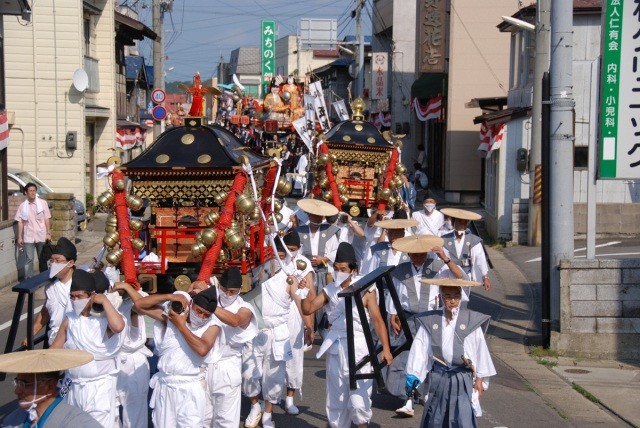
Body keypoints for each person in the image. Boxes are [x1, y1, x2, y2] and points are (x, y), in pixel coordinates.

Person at [301, 242, 393, 428]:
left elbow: (377, 320)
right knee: (337, 399)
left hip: (360, 346)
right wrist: (303, 292)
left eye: (343, 269)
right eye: (336, 269)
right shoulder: (330, 290)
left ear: (353, 270)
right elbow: (309, 308)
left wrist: (386, 348)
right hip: (336, 347)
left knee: (359, 402)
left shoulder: (366, 290)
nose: (338, 272)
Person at [384, 235, 465, 415]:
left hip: (431, 319)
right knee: (406, 357)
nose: (418, 257)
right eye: (414, 254)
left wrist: (445, 257)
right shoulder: (400, 270)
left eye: (421, 254)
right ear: (409, 254)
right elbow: (394, 294)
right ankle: (408, 398)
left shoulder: (438, 267)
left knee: (430, 357)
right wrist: (392, 315)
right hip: (407, 319)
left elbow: (459, 276)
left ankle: (427, 393)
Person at [405, 279, 496, 426]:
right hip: (439, 376)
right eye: (448, 296)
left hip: (463, 377)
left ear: (461, 297)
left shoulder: (471, 321)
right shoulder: (431, 320)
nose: (452, 300)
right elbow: (420, 349)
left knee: (463, 419)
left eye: (456, 296)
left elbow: (481, 351)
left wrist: (479, 379)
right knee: (436, 418)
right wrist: (413, 375)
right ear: (440, 297)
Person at [241, 243, 307, 428]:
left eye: (280, 255)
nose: (276, 259)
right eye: (272, 255)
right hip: (253, 331)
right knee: (248, 374)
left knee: (273, 376)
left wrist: (309, 326)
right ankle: (255, 405)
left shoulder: (290, 278)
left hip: (277, 332)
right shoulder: (253, 273)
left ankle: (268, 413)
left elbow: (302, 304)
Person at [134, 287, 221, 428]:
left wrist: (181, 325)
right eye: (199, 311)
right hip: (166, 386)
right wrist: (169, 296)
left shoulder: (212, 326)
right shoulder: (171, 317)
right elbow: (139, 305)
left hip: (190, 387)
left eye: (206, 315)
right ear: (190, 305)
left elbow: (202, 349)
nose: (201, 317)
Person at [50, 269, 126, 428]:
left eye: (80, 296)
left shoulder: (104, 320)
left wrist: (104, 301)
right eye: (72, 296)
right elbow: (54, 352)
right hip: (73, 385)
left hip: (99, 387)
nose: (75, 300)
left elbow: (118, 326)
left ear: (91, 295)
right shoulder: (70, 320)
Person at [203, 267, 258, 428]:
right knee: (203, 417)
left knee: (226, 419)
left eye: (232, 292)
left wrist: (209, 304)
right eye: (224, 290)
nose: (227, 295)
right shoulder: (211, 298)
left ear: (240, 290)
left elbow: (235, 320)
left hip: (228, 366)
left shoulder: (245, 307)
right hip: (204, 365)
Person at [0, 349, 102, 427]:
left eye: (25, 384)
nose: (17, 390)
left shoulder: (78, 423)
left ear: (49, 386)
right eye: (17, 383)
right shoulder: (12, 420)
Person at [294, 199, 340, 338]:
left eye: (320, 216)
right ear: (309, 215)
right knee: (306, 298)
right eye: (315, 215)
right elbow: (296, 252)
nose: (318, 218)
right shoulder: (300, 231)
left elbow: (336, 251)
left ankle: (324, 328)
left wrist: (324, 259)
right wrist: (305, 262)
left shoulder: (330, 231)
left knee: (324, 301)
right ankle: (308, 328)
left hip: (324, 272)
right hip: (305, 272)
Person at [110, 281, 152, 428]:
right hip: (112, 361)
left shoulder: (135, 305)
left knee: (135, 413)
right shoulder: (109, 304)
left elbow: (141, 305)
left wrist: (128, 287)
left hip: (134, 361)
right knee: (110, 412)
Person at [23, 237, 77, 347]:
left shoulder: (80, 283)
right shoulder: (51, 286)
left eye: (58, 260)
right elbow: (46, 311)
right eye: (51, 260)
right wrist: (31, 335)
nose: (53, 264)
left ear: (70, 263)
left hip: (75, 338)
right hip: (54, 338)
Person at [440, 208, 492, 291]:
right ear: (453, 222)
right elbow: (439, 259)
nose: (462, 224)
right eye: (459, 221)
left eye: (464, 222)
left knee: (463, 300)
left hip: (466, 275)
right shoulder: (444, 239)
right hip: (448, 274)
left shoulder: (474, 240)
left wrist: (485, 277)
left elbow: (480, 259)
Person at [14, 182, 52, 278]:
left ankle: (44, 277)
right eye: (30, 191)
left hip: (41, 235)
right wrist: (19, 237)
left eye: (34, 190)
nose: (32, 192)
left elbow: (47, 218)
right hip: (28, 236)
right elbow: (20, 222)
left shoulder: (43, 203)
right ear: (26, 193)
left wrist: (48, 233)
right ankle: (29, 280)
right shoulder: (23, 206)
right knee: (29, 259)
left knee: (42, 258)